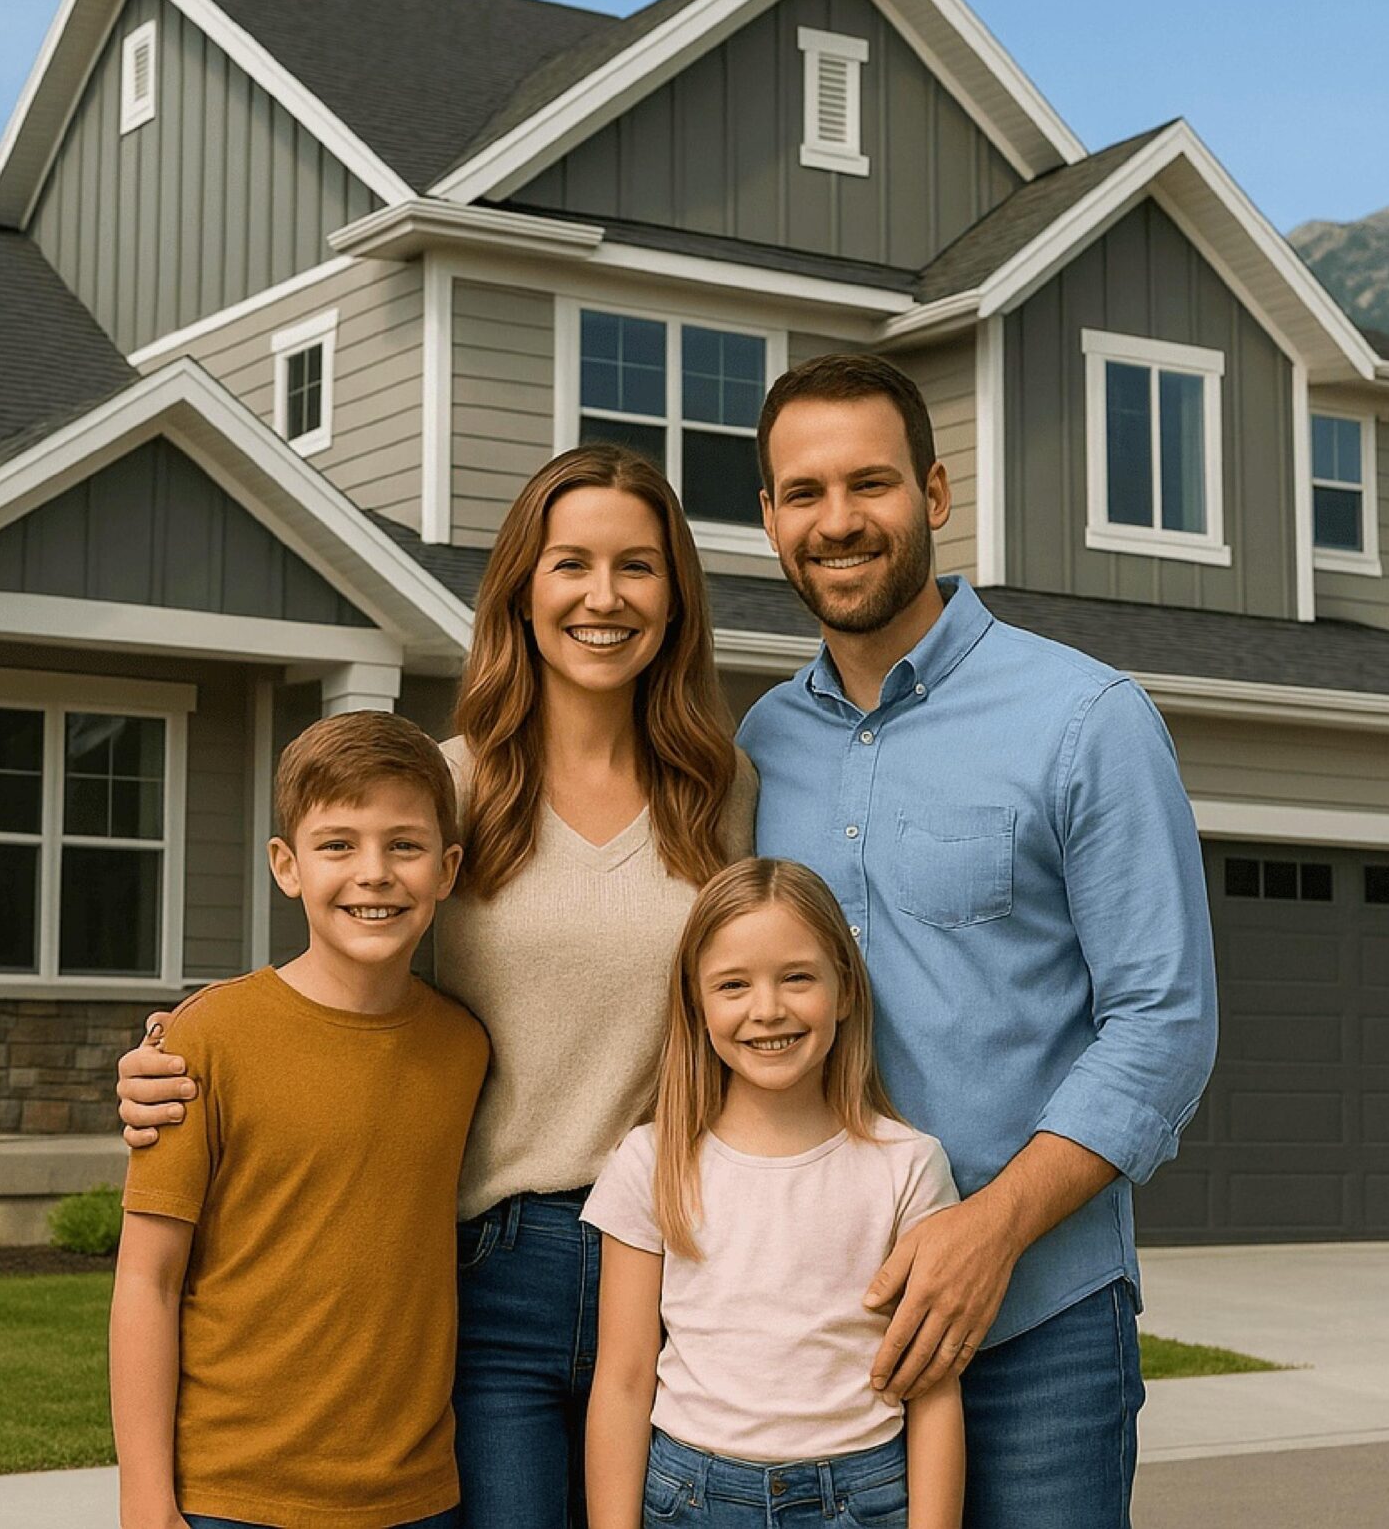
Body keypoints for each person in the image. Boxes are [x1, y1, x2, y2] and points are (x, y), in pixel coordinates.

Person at [120, 444, 754, 1526]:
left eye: (637, 567)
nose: (603, 597)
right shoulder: (450, 786)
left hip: (680, 1257)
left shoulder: (720, 789)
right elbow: (337, 975)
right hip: (489, 1263)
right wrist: (166, 1063)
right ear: (520, 587)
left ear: (676, 596)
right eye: (570, 565)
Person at [740, 354, 1219, 1527]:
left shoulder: (1083, 719)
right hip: (812, 1335)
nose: (838, 521)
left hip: (1036, 1330)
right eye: (802, 493)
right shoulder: (758, 746)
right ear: (767, 518)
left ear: (936, 495)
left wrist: (987, 1230)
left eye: (871, 484)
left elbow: (1163, 1023)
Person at [110, 708, 488, 1529]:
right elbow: (147, 1279)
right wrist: (145, 1497)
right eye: (338, 844)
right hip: (234, 1494)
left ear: (449, 867)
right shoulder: (204, 1040)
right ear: (287, 865)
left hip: (416, 1495)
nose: (375, 871)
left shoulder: (464, 1047)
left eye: (406, 844)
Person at [583, 857, 962, 1529]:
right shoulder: (651, 1161)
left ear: (843, 990)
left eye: (797, 977)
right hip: (691, 1496)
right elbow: (623, 1378)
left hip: (862, 1492)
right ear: (696, 1004)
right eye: (733, 984)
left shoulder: (909, 1165)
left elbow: (932, 1390)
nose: (768, 1009)